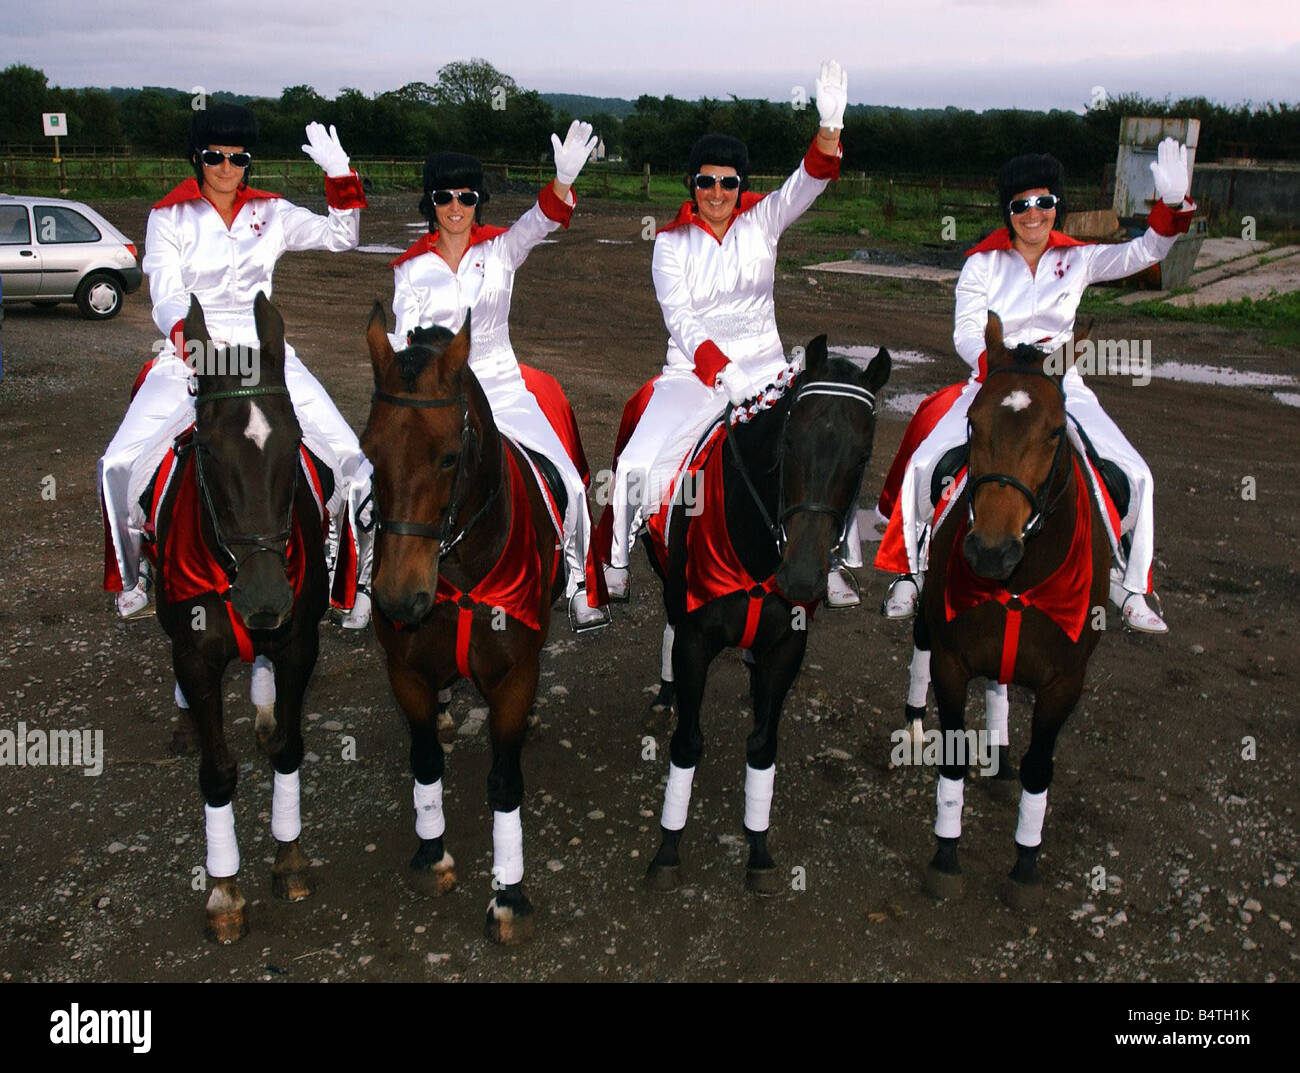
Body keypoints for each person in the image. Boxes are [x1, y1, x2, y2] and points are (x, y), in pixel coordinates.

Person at [875, 137, 1197, 633]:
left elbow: (1145, 251)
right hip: (993, 379)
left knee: (1137, 474)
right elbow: (965, 330)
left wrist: (1170, 208)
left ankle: (1132, 587)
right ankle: (909, 573)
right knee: (923, 464)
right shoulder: (981, 264)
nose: (1033, 213)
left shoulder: (1081, 258)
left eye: (1043, 202)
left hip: (1059, 381)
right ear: (1009, 211)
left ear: (1056, 206)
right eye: (1021, 204)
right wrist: (996, 366)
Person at [98, 103, 373, 627]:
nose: (226, 167)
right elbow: (166, 291)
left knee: (354, 461)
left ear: (250, 161)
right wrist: (187, 337)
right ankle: (135, 574)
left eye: (238, 157)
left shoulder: (272, 212)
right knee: (116, 465)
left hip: (264, 354)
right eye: (214, 156)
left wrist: (340, 176)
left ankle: (341, 567)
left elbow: (344, 238)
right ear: (196, 158)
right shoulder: (168, 216)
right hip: (194, 350)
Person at [602, 61, 863, 607]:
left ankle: (832, 558)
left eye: (728, 182)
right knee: (633, 466)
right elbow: (682, 319)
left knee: (825, 446)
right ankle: (617, 560)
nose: (717, 192)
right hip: (694, 376)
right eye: (706, 181)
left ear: (741, 186)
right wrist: (723, 374)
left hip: (768, 367)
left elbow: (807, 182)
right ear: (691, 185)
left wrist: (830, 129)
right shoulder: (670, 244)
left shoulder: (763, 220)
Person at [389, 120, 609, 631]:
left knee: (571, 487)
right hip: (440, 397)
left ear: (478, 199)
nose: (456, 206)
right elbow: (403, 344)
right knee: (379, 479)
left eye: (466, 195)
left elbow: (543, 220)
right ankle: (365, 583)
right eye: (444, 196)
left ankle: (578, 584)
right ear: (431, 202)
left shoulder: (501, 251)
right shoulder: (409, 270)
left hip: (503, 389)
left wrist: (560, 183)